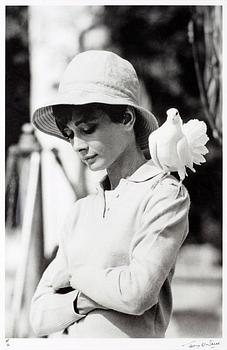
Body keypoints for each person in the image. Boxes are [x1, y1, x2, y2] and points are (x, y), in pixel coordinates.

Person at [30, 50, 190, 338]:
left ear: (126, 118)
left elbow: (137, 294)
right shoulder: (81, 211)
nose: (77, 145)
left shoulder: (164, 194)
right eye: (69, 134)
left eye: (87, 129)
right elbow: (39, 315)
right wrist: (84, 299)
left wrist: (74, 276)